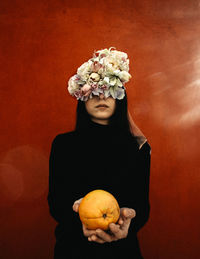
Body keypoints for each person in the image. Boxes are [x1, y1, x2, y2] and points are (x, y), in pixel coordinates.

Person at [47, 47, 151, 258]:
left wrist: (127, 225)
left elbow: (141, 206)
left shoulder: (137, 148)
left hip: (123, 250)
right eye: (94, 91)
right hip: (73, 247)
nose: (101, 96)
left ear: (120, 99)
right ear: (82, 97)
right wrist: (79, 222)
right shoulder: (63, 144)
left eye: (109, 90)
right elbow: (56, 202)